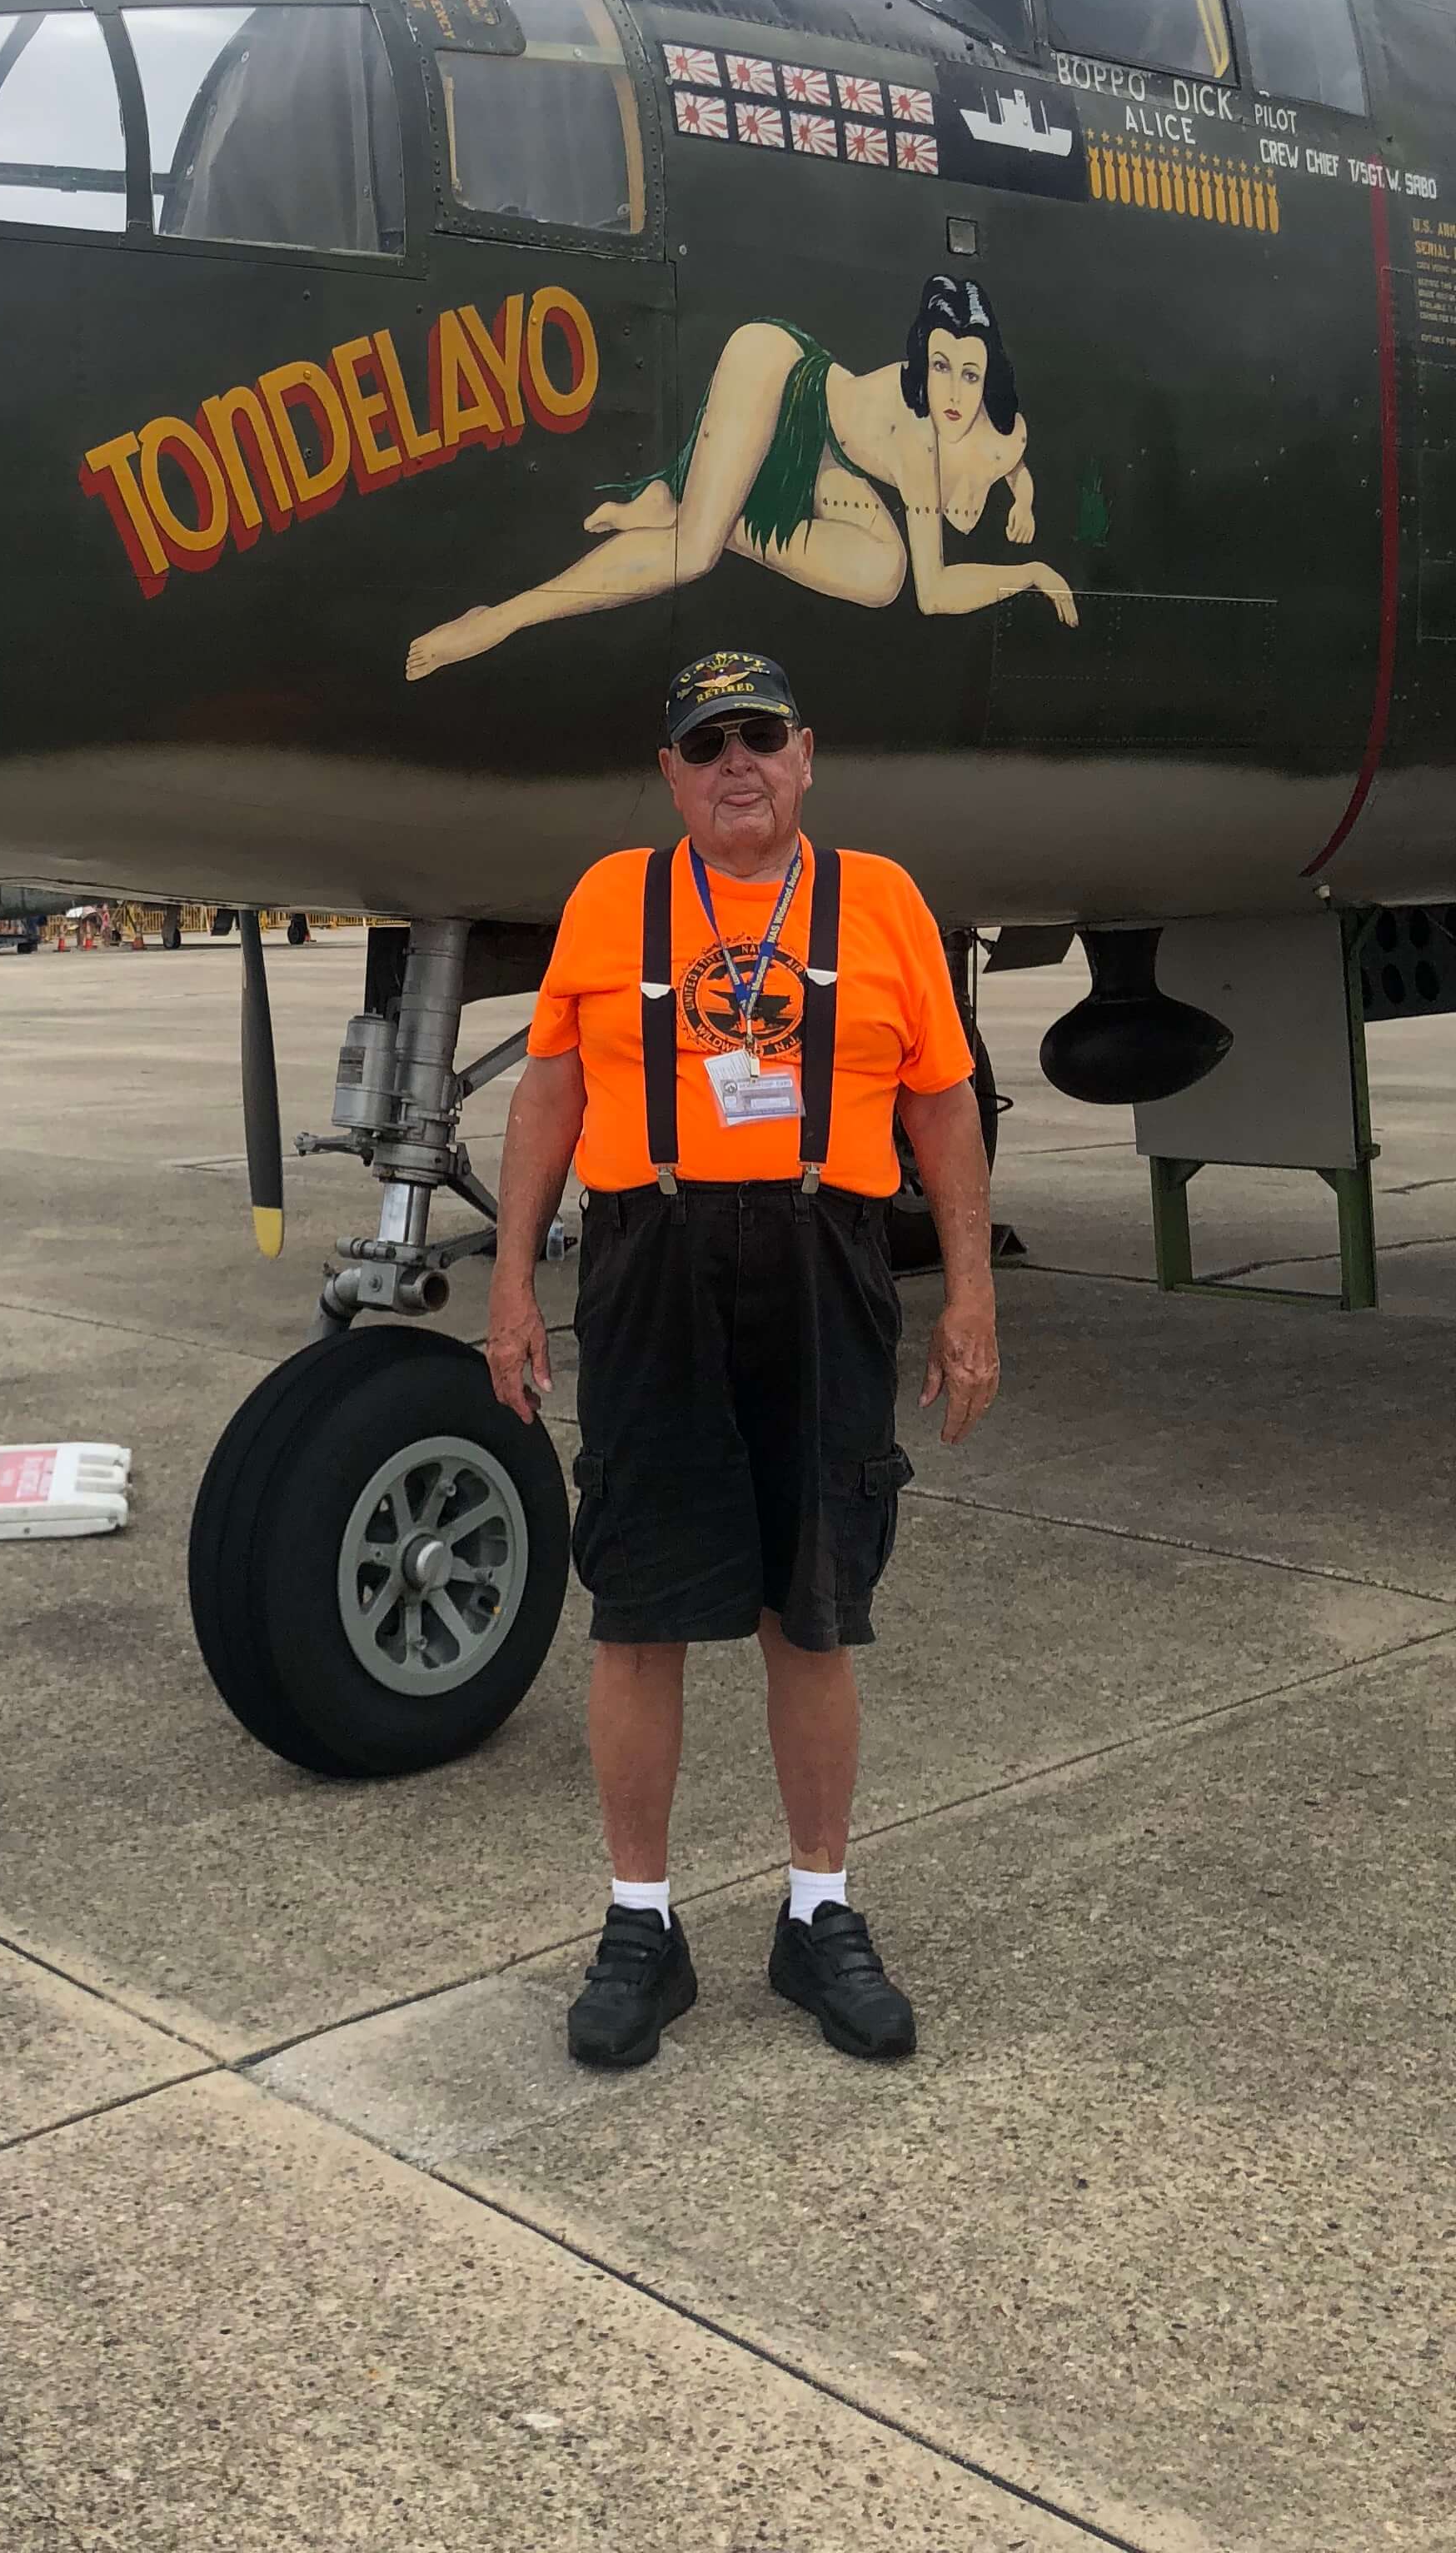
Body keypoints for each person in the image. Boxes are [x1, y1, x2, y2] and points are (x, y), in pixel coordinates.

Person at [487, 649, 999, 2074]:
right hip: (648, 1264)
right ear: (667, 772)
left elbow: (943, 1115)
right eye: (703, 742)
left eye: (757, 738)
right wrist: (514, 1282)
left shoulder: (882, 903)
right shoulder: (608, 901)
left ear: (805, 755)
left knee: (813, 1601)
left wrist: (969, 1296)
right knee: (636, 1602)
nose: (734, 765)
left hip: (822, 1261)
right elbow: (547, 1092)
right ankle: (638, 1926)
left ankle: (815, 1907)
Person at [406, 276, 1077, 678]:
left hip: (825, 460)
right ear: (918, 364)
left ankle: (689, 502)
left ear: (991, 381)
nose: (952, 392)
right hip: (779, 379)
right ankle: (502, 619)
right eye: (937, 367)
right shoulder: (917, 449)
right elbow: (937, 597)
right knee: (693, 555)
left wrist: (1024, 497)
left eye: (968, 374)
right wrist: (1031, 574)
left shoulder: (1003, 435)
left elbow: (1012, 466)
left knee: (880, 576)